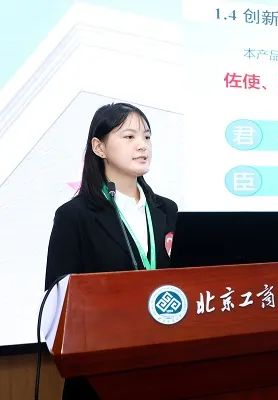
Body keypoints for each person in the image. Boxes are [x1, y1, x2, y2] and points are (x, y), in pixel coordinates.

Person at [44, 102, 178, 399]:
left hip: (164, 364)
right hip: (101, 372)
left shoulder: (166, 210)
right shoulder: (75, 215)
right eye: (129, 137)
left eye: (147, 136)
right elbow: (58, 301)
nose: (142, 145)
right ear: (99, 147)